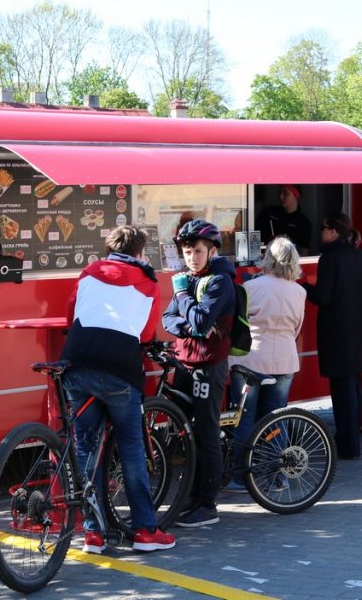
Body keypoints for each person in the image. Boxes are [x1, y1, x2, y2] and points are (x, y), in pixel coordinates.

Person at [61, 225, 176, 554]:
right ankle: (144, 531)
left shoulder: (88, 273)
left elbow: (71, 314)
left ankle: (93, 533)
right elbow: (145, 331)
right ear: (140, 252)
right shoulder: (148, 282)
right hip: (119, 371)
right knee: (131, 448)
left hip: (77, 363)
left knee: (86, 448)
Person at [162, 219, 236, 527]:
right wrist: (188, 325)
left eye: (199, 251)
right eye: (188, 251)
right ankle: (190, 496)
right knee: (183, 431)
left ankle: (208, 505)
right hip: (184, 362)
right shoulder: (188, 280)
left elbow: (202, 322)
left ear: (213, 251)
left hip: (208, 365)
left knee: (206, 432)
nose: (192, 257)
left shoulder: (219, 282)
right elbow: (168, 319)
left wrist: (184, 302)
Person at [223, 237, 306, 490]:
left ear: (268, 258)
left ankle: (241, 476)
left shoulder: (251, 287)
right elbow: (296, 327)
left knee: (244, 418)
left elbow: (238, 325)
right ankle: (275, 476)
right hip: (284, 359)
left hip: (250, 359)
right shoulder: (299, 291)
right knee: (275, 419)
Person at [303, 212, 362, 460]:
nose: (320, 233)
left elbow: (324, 297)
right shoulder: (360, 255)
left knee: (342, 389)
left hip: (336, 330)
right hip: (358, 328)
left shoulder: (330, 259)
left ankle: (348, 446)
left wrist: (303, 286)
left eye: (324, 228)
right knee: (354, 384)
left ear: (333, 232)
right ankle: (351, 441)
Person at [257, 184, 312, 254]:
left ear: (296, 196)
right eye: (279, 193)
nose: (281, 197)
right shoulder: (268, 213)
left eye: (286, 193)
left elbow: (303, 254)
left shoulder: (304, 223)